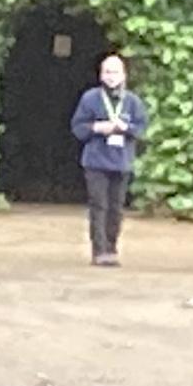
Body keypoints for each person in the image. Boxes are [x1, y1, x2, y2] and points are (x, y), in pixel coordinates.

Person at [70, 51, 149, 265]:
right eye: (107, 72)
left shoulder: (132, 101)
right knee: (99, 205)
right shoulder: (90, 99)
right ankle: (99, 251)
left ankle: (112, 247)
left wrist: (126, 128)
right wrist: (97, 128)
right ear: (100, 75)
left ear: (124, 75)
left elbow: (142, 129)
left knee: (116, 208)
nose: (111, 76)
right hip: (96, 161)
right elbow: (78, 128)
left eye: (115, 72)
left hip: (121, 162)